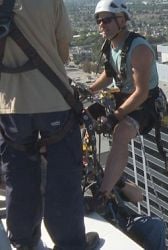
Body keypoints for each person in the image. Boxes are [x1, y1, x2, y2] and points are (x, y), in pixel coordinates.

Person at [0, 0, 88, 249]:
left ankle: (24, 240)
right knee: (63, 178)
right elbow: (62, 51)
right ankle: (70, 242)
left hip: (11, 106)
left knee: (18, 177)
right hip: (53, 101)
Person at [88, 0, 160, 201]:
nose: (101, 25)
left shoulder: (139, 49)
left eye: (106, 20)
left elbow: (142, 93)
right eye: (99, 21)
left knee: (121, 133)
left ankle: (104, 192)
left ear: (121, 20)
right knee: (84, 115)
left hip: (145, 103)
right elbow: (110, 73)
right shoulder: (111, 45)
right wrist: (89, 90)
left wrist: (115, 117)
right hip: (124, 96)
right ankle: (82, 163)